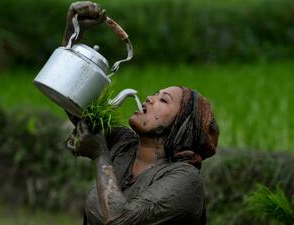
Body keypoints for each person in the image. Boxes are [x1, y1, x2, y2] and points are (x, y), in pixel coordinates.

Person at [64, 2, 219, 225]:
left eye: (163, 99)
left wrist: (100, 155)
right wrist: (74, 30)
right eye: (155, 94)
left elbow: (120, 221)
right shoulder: (123, 145)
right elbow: (72, 100)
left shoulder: (185, 179)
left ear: (183, 125)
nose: (149, 98)